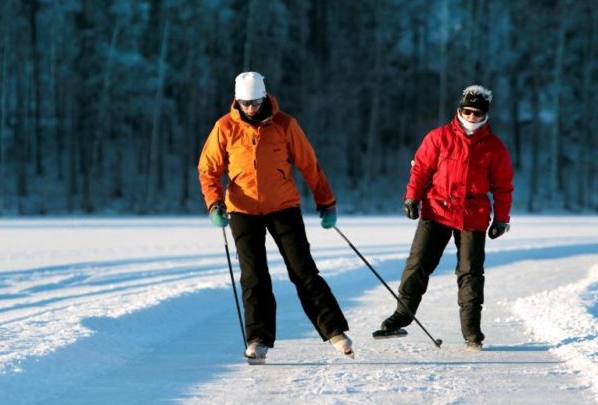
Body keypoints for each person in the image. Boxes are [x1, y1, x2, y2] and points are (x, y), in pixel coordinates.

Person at [198, 71, 353, 361]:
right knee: (254, 276)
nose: (251, 109)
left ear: (265, 97)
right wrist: (213, 203)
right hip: (242, 210)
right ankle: (258, 338)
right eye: (245, 103)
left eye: (255, 102)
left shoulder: (285, 124)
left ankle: (334, 331)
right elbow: (208, 170)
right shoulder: (224, 127)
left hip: (283, 207)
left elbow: (309, 164)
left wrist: (326, 201)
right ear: (237, 100)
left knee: (303, 271)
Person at [378, 85, 514, 351]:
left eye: (477, 112)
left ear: (485, 114)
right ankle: (402, 315)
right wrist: (411, 197)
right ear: (459, 110)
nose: (471, 117)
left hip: (472, 216)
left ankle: (472, 331)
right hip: (436, 211)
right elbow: (420, 169)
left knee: (470, 273)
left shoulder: (495, 148)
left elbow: (503, 187)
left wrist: (501, 219)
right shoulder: (439, 137)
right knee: (418, 265)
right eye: (467, 111)